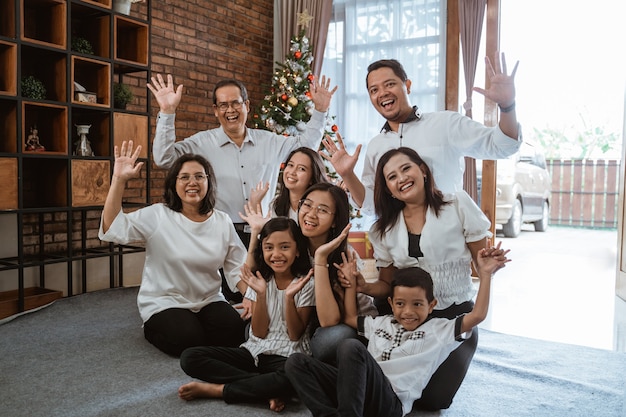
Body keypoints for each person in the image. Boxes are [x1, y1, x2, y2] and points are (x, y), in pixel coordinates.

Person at [148, 74, 336, 303]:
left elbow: (304, 148)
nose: (231, 110)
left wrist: (320, 111)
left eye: (236, 103)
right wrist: (167, 112)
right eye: (223, 105)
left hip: (265, 234)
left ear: (246, 105)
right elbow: (164, 158)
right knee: (227, 300)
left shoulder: (268, 141)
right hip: (221, 234)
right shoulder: (201, 143)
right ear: (215, 110)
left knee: (264, 297)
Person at [285, 244, 510, 417]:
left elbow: (478, 315)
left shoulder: (440, 330)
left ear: (431, 305)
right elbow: (351, 318)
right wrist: (352, 283)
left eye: (418, 304)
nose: (408, 312)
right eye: (400, 304)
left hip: (389, 402)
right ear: (391, 304)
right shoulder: (382, 323)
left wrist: (486, 274)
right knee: (296, 362)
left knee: (350, 347)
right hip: (359, 391)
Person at [354, 147, 493, 410]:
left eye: (406, 168)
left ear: (423, 171)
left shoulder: (458, 205)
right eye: (391, 177)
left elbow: (481, 263)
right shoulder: (382, 229)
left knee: (434, 399)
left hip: (454, 315)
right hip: (407, 316)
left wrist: (488, 268)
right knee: (393, 386)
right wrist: (365, 286)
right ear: (389, 189)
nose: (401, 178)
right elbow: (386, 286)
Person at [321, 52, 522, 215]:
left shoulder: (446, 123)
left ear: (407, 86)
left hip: (447, 244)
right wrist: (347, 175)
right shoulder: (376, 145)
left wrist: (507, 106)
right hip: (398, 251)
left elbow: (503, 146)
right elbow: (371, 205)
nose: (382, 93)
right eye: (374, 90)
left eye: (390, 84)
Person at [99, 141, 247, 357]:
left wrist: (251, 297)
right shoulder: (158, 215)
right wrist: (118, 180)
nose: (192, 182)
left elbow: (237, 266)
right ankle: (152, 326)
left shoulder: (221, 220)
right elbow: (113, 228)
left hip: (208, 299)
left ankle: (198, 324)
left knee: (235, 334)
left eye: (199, 176)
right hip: (165, 301)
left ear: (209, 182)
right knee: (187, 341)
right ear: (174, 184)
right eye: (184, 177)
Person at [177, 217, 315, 412]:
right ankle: (264, 388)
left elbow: (294, 335)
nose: (276, 254)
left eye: (285, 247)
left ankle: (220, 390)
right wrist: (260, 294)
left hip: (287, 357)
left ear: (297, 250)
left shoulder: (307, 283)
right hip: (253, 352)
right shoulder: (259, 280)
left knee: (292, 378)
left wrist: (289, 298)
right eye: (269, 247)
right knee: (190, 357)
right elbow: (258, 333)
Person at [241, 182, 377, 364]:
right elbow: (257, 268)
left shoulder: (345, 255)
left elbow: (331, 320)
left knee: (333, 339)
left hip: (346, 323)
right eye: (307, 204)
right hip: (305, 322)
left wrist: (321, 259)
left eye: (322, 210)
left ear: (335, 220)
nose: (311, 214)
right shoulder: (295, 244)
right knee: (251, 329)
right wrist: (256, 231)